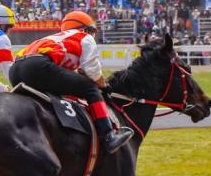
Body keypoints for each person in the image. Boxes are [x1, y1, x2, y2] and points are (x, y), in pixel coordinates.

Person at [9, 10, 133, 154]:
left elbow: (66, 75)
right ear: (85, 29)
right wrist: (104, 85)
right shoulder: (84, 37)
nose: (93, 35)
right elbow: (93, 71)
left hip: (15, 70)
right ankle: (108, 136)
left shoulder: (56, 38)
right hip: (38, 66)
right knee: (90, 88)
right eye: (92, 31)